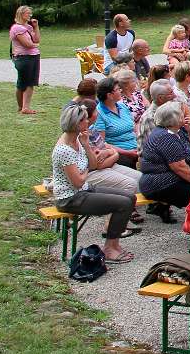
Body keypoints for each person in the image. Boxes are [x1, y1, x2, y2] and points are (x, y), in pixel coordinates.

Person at [51, 104, 135, 263]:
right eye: (85, 120)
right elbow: (77, 181)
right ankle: (110, 248)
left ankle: (114, 245)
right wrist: (87, 170)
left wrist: (86, 145)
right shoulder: (64, 149)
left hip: (84, 189)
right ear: (76, 123)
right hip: (70, 198)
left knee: (130, 197)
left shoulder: (77, 140)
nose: (88, 122)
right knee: (122, 203)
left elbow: (94, 165)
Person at [138, 101, 190, 220]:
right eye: (182, 114)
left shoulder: (178, 131)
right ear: (176, 118)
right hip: (159, 183)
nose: (186, 115)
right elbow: (180, 168)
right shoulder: (165, 137)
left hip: (174, 178)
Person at [91, 75, 140, 167]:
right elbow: (101, 144)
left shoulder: (122, 106)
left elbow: (133, 128)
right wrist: (128, 152)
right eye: (118, 89)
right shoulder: (100, 114)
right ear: (109, 95)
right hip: (118, 153)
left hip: (135, 148)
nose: (121, 91)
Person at [8, 5, 42, 115]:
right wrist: (35, 45)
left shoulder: (28, 27)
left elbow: (36, 39)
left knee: (30, 82)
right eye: (28, 13)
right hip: (24, 58)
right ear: (21, 14)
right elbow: (27, 44)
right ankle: (23, 107)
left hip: (33, 57)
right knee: (23, 83)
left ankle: (23, 107)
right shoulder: (17, 28)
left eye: (30, 13)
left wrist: (36, 27)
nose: (30, 15)